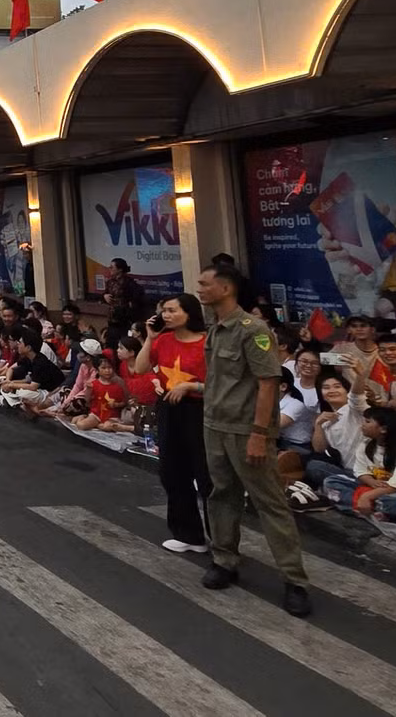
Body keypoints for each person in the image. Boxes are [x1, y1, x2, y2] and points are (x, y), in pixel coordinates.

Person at [194, 263, 311, 617]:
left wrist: (260, 434)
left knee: (269, 503)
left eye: (205, 283)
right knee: (221, 495)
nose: (199, 288)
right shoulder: (215, 329)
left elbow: (267, 383)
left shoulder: (254, 330)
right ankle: (224, 560)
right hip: (215, 426)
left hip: (247, 430)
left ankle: (295, 580)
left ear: (226, 288)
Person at [135, 293, 211, 554]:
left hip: (200, 409)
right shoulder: (163, 340)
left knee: (206, 473)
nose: (165, 315)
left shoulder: (207, 343)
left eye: (172, 310)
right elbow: (140, 368)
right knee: (173, 471)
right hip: (169, 407)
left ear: (189, 313)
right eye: (163, 311)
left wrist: (192, 386)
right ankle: (189, 533)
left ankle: (221, 538)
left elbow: (223, 383)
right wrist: (150, 338)